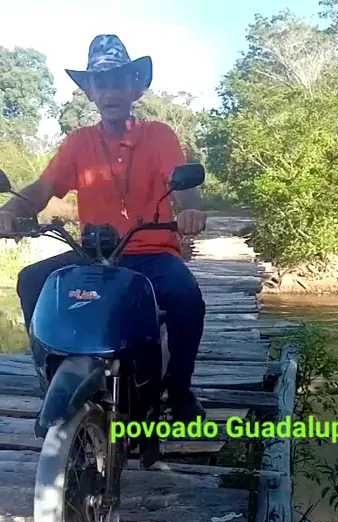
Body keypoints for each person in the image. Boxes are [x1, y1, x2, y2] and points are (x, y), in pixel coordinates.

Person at [0, 34, 207, 426]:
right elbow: (43, 188)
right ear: (90, 92)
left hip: (150, 252)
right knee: (31, 280)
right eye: (101, 83)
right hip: (93, 255)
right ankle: (52, 373)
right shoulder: (79, 142)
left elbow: (184, 185)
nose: (110, 92)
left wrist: (191, 211)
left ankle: (179, 388)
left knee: (187, 298)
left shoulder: (159, 135)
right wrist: (10, 211)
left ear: (135, 88)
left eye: (118, 82)